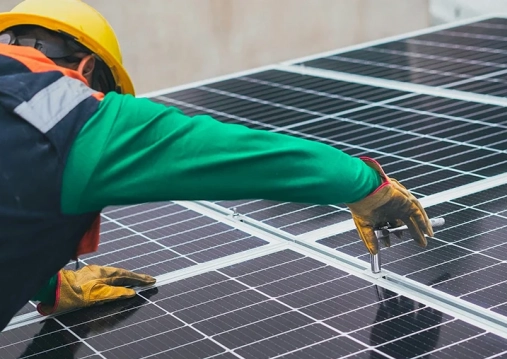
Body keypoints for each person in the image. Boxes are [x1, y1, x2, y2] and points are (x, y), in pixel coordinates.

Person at [0, 0, 433, 332]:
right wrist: (367, 186)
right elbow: (250, 157)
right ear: (87, 68)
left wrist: (49, 284)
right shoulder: (73, 119)